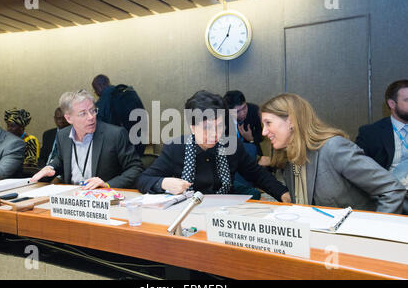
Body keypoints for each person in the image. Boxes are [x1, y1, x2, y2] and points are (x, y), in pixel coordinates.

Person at [261, 93, 405, 214]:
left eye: (268, 123)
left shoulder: (334, 148)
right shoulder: (290, 157)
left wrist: (373, 235)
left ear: (291, 121)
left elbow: (392, 190)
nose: (264, 132)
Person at [136, 90, 291, 202]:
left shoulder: (231, 145)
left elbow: (258, 175)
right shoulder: (176, 148)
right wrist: (163, 183)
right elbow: (143, 179)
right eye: (206, 128)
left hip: (225, 211)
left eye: (219, 126)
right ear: (192, 127)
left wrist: (283, 193)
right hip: (188, 213)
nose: (214, 134)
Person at [31, 89, 143, 189]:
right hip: (73, 197)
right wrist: (50, 167)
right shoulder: (63, 135)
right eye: (83, 113)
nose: (91, 117)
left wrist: (107, 185)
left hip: (103, 199)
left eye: (93, 111)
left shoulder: (115, 134)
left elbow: (135, 169)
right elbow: (61, 159)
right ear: (69, 118)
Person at [356, 80, 408, 214]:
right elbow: (360, 172)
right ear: (392, 104)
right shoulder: (371, 133)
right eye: (407, 100)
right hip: (392, 193)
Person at [92, 74, 146, 156]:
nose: (95, 93)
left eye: (95, 90)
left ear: (99, 87)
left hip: (120, 149)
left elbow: (98, 131)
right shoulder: (129, 92)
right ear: (108, 83)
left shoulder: (102, 103)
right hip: (140, 143)